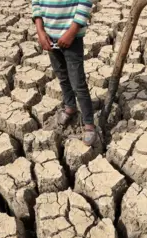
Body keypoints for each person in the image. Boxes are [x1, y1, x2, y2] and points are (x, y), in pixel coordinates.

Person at [32, 0, 96, 146]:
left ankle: (89, 124)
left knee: (78, 83)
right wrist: (40, 32)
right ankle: (70, 107)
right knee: (62, 76)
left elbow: (85, 3)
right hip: (50, 38)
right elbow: (36, 4)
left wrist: (72, 32)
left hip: (71, 38)